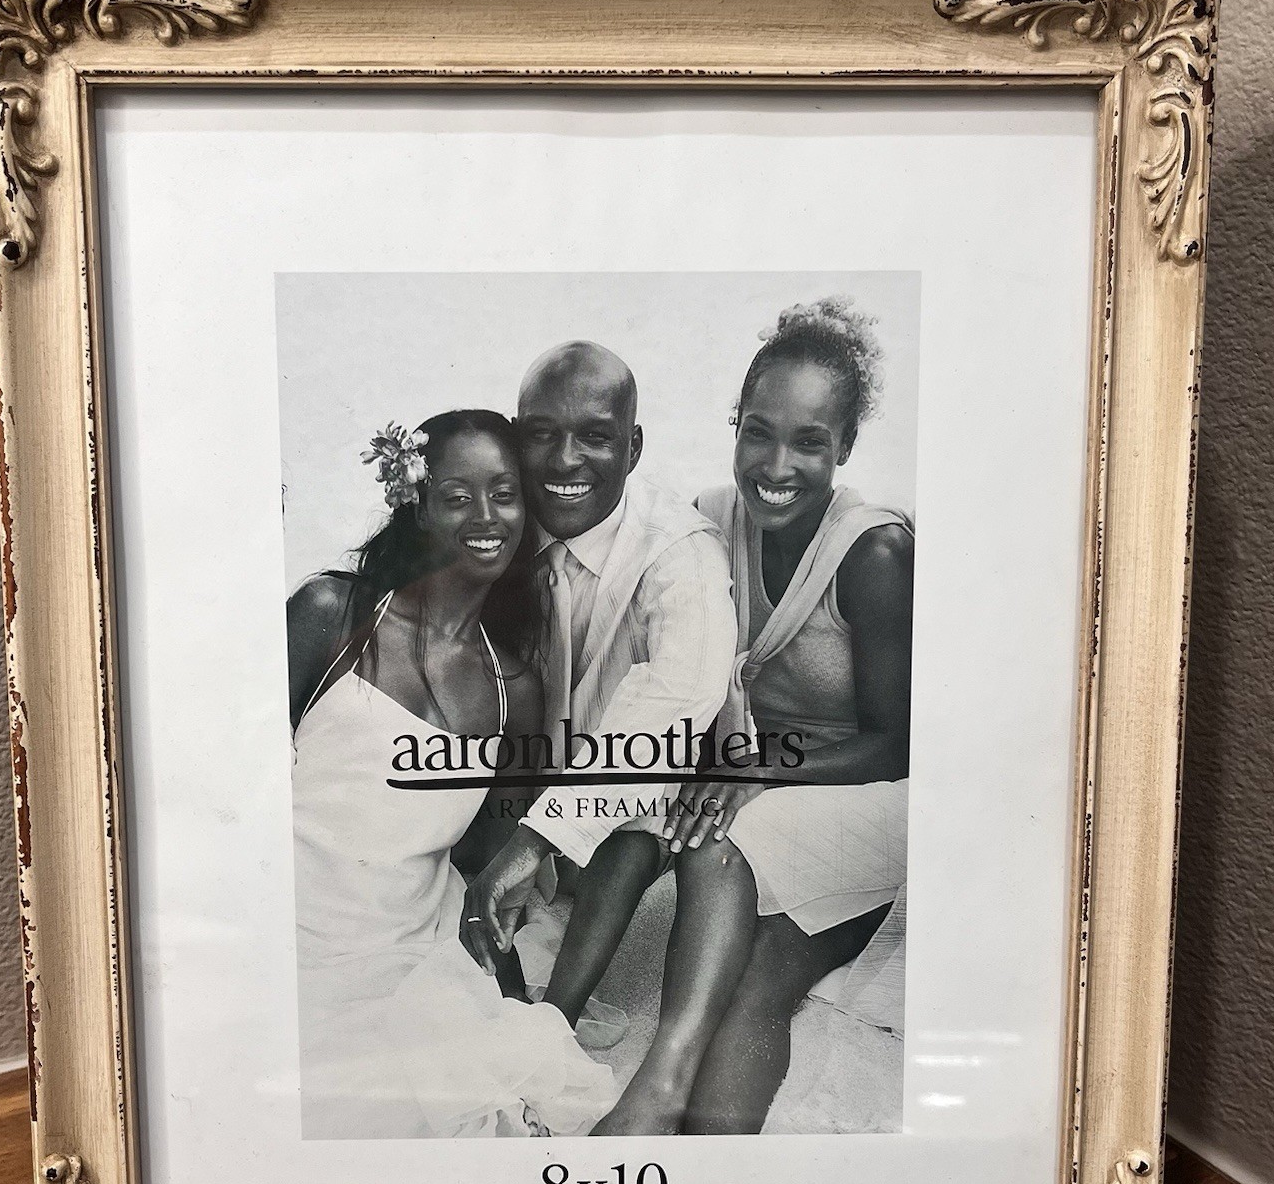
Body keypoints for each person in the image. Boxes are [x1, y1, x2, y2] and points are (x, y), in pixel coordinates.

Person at [592, 299, 914, 1136]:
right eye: (758, 433)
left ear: (846, 446)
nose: (777, 465)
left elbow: (899, 745)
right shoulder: (708, 521)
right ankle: (707, 1163)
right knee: (761, 968)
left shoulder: (875, 553)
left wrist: (757, 770)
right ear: (734, 425)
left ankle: (657, 1086)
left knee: (717, 841)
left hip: (863, 794)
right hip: (759, 784)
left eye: (809, 442)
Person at [287, 409, 616, 1138]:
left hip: (410, 954)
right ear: (416, 504)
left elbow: (488, 860)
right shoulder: (331, 614)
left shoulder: (513, 685)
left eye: (505, 494)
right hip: (291, 940)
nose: (486, 517)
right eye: (458, 497)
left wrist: (501, 991)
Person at [459, 344, 738, 1028]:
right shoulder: (497, 521)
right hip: (522, 775)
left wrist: (535, 840)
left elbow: (674, 702)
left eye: (595, 437)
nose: (564, 461)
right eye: (542, 434)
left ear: (633, 447)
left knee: (639, 816)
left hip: (630, 802)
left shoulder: (680, 550)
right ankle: (499, 981)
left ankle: (555, 1024)